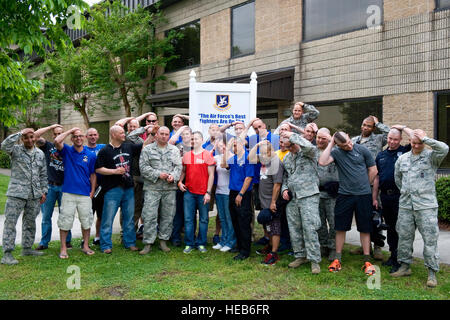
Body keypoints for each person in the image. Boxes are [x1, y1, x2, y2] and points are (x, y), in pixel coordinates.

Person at [391, 129, 449, 287]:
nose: (416, 145)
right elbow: (398, 179)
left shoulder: (432, 156)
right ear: (409, 141)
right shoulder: (402, 159)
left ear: (424, 142)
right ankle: (404, 266)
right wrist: (407, 193)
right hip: (406, 205)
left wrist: (426, 139)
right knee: (404, 237)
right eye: (413, 142)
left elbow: (444, 148)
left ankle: (432, 272)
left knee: (430, 239)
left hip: (426, 206)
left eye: (419, 143)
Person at [319, 132, 378, 275]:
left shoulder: (362, 150)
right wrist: (332, 143)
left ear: (349, 136)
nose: (349, 145)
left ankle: (367, 260)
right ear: (338, 145)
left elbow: (373, 170)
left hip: (363, 195)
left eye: (349, 142)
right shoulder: (337, 152)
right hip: (344, 196)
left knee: (365, 228)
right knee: (340, 228)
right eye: (345, 145)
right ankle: (337, 259)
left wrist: (365, 185)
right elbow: (322, 161)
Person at [1, 128, 47, 265]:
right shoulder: (15, 150)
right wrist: (20, 133)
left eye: (32, 137)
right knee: (10, 223)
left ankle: (26, 248)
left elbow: (43, 174)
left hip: (34, 194)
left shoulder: (40, 154)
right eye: (26, 137)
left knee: (30, 222)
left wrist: (43, 191)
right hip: (17, 193)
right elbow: (4, 145)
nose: (30, 140)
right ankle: (7, 254)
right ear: (22, 139)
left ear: (35, 137)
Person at [95, 125, 143, 254]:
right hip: (112, 189)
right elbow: (98, 169)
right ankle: (105, 245)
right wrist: (114, 171)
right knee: (108, 218)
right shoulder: (105, 151)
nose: (124, 134)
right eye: (122, 133)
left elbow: (143, 146)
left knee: (129, 217)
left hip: (128, 188)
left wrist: (151, 135)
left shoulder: (128, 146)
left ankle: (130, 243)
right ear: (114, 135)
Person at [280, 131, 321, 274]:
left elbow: (309, 146)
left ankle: (314, 260)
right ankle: (300, 255)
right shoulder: (286, 158)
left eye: (291, 145)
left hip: (308, 195)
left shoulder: (308, 153)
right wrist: (284, 189)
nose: (290, 148)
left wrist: (291, 135)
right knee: (294, 228)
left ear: (296, 142)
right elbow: (285, 177)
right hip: (293, 198)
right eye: (287, 146)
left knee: (310, 228)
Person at [351, 115, 390, 260]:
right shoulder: (355, 141)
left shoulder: (379, 139)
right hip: (358, 184)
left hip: (375, 184)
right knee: (362, 216)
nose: (365, 128)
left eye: (369, 126)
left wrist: (379, 123)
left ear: (373, 128)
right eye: (364, 125)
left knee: (377, 216)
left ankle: (378, 247)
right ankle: (364, 245)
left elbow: (390, 134)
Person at [54, 128, 97, 259]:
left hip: (85, 194)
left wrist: (92, 191)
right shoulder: (67, 151)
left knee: (86, 221)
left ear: (84, 138)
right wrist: (71, 130)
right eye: (75, 136)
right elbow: (57, 140)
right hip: (68, 193)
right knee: (65, 221)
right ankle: (63, 248)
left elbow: (93, 174)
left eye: (80, 136)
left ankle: (85, 245)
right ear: (72, 139)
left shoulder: (90, 155)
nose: (78, 138)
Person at [139, 126, 182, 254]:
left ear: (169, 135)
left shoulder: (174, 150)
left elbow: (178, 167)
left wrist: (173, 176)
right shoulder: (147, 149)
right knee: (149, 215)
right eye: (161, 134)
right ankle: (148, 243)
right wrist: (158, 174)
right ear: (156, 135)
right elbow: (143, 167)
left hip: (169, 189)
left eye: (166, 134)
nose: (164, 136)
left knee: (168, 215)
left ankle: (163, 241)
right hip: (152, 188)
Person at [34, 124, 73, 250]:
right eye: (55, 134)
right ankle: (44, 242)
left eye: (60, 133)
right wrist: (51, 126)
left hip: (64, 187)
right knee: (46, 217)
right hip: (49, 187)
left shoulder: (69, 149)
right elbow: (35, 136)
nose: (57, 136)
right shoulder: (48, 146)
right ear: (53, 135)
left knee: (65, 215)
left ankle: (67, 241)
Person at [178, 131, 215, 254]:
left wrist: (208, 192)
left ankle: (201, 243)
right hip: (189, 192)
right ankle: (189, 243)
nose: (194, 141)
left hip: (203, 193)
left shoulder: (207, 155)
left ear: (202, 140)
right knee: (189, 219)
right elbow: (183, 170)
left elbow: (211, 175)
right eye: (192, 139)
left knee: (204, 219)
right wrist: (179, 182)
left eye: (196, 138)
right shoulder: (187, 155)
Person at [249, 140, 284, 266]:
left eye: (264, 153)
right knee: (266, 225)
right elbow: (250, 157)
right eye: (261, 153)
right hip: (264, 201)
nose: (262, 155)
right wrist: (257, 145)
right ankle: (269, 247)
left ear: (271, 151)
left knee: (274, 227)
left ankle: (274, 254)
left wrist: (273, 202)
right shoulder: (265, 160)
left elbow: (277, 185)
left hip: (272, 202)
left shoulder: (276, 163)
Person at [221, 137, 255, 261]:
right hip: (232, 191)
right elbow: (223, 164)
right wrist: (228, 149)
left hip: (243, 193)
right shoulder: (234, 158)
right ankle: (239, 246)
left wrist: (240, 194)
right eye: (233, 146)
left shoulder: (248, 157)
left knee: (243, 221)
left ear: (241, 145)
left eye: (235, 145)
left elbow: (249, 177)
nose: (233, 148)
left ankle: (245, 251)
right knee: (235, 219)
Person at [316, 128, 339, 261]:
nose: (319, 140)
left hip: (332, 193)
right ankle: (323, 245)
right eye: (318, 137)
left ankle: (333, 248)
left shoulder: (336, 152)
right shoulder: (313, 151)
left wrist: (332, 141)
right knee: (319, 222)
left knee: (334, 222)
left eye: (323, 138)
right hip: (317, 192)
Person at [211, 137, 236, 253]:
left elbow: (224, 164)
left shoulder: (232, 157)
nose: (222, 148)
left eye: (224, 146)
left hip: (228, 192)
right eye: (220, 146)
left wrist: (227, 150)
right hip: (219, 191)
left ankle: (231, 241)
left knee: (228, 217)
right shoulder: (216, 157)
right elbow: (206, 158)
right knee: (221, 218)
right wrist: (214, 147)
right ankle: (223, 240)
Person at [170, 126, 193, 247]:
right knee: (178, 211)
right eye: (183, 134)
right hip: (178, 182)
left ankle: (191, 236)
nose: (185, 136)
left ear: (191, 135)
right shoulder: (176, 147)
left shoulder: (196, 147)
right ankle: (176, 237)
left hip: (192, 182)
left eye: (187, 134)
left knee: (191, 212)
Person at [84, 128, 106, 247]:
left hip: (101, 188)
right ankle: (84, 239)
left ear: (98, 136)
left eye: (95, 135)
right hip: (87, 188)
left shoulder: (103, 147)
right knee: (87, 215)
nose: (93, 137)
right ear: (86, 137)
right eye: (90, 135)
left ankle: (97, 237)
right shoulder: (82, 150)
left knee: (101, 215)